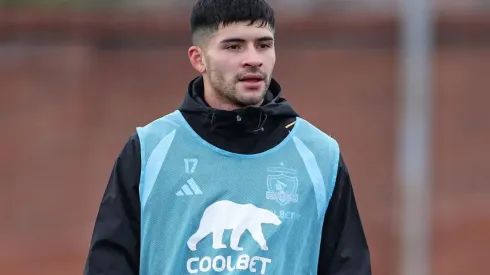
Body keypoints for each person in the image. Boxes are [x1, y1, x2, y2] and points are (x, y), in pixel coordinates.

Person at [83, 0, 371, 274]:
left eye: (263, 45)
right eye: (234, 46)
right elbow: (108, 265)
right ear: (199, 59)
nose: (253, 60)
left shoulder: (319, 155)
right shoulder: (150, 149)